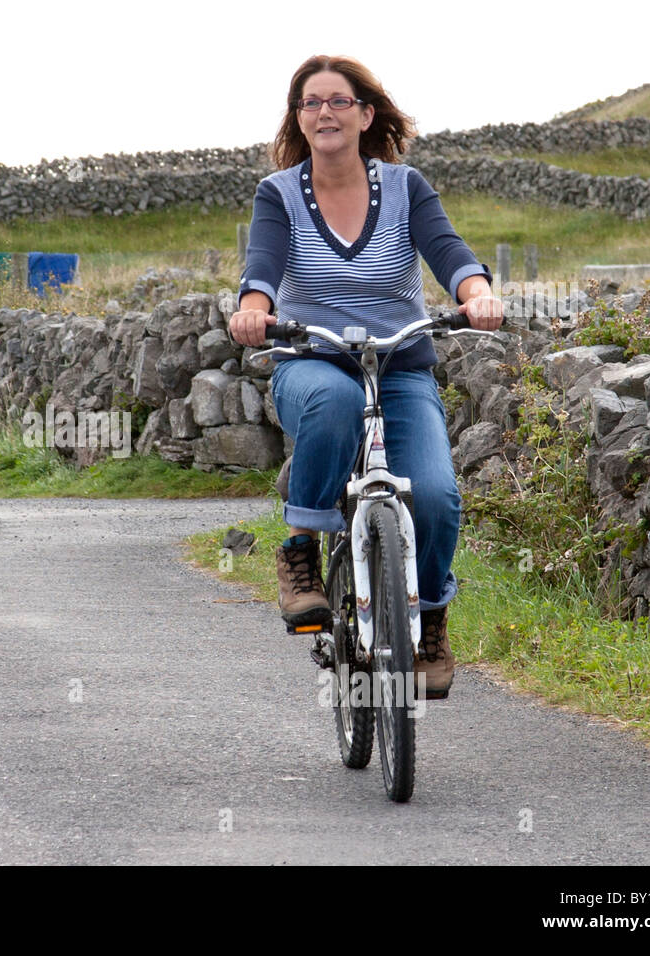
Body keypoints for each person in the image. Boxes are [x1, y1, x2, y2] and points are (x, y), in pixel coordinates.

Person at [229, 54, 504, 699]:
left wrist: (477, 291)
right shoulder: (279, 194)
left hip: (401, 366)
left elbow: (448, 250)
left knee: (434, 496)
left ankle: (430, 619)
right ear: (299, 119)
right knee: (333, 401)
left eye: (338, 101)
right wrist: (253, 310)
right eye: (310, 103)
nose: (324, 112)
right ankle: (301, 551)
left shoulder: (406, 186)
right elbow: (263, 267)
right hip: (313, 361)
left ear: (364, 114)